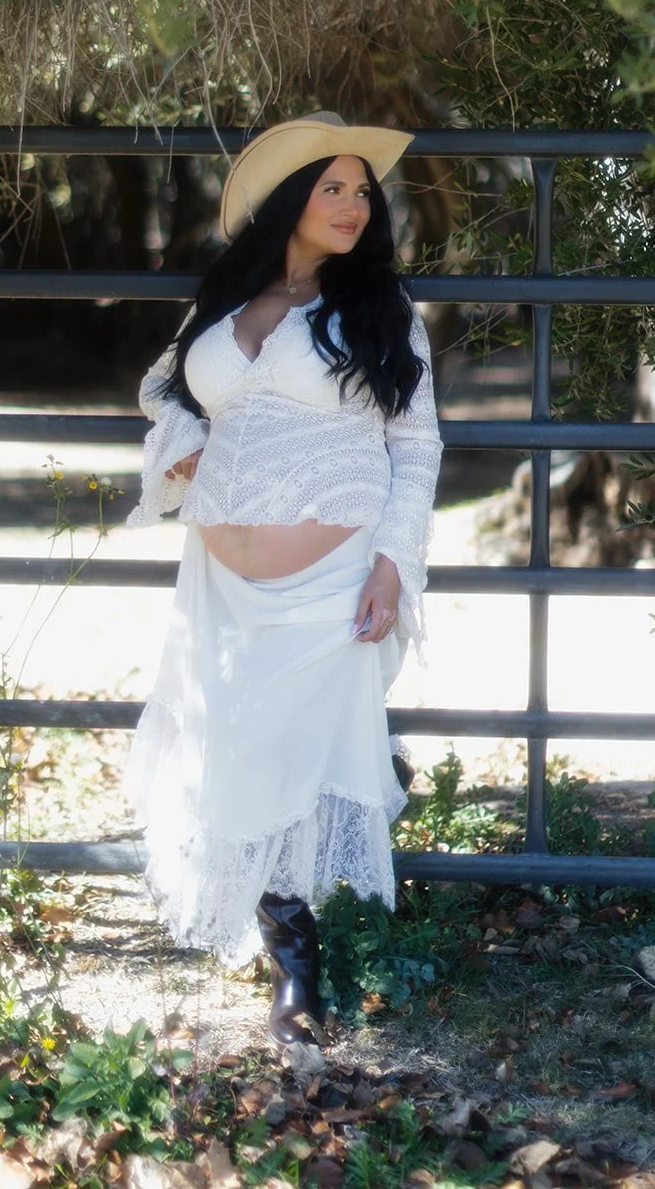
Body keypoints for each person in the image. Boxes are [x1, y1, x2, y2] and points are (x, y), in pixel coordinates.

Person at [123, 111, 443, 1046]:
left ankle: (299, 977)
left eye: (361, 190)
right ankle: (281, 943)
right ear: (288, 202)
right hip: (219, 587)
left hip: (332, 578)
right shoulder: (224, 300)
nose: (351, 204)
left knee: (296, 758)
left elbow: (415, 443)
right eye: (331, 187)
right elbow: (164, 391)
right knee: (237, 754)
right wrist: (181, 453)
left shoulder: (383, 313)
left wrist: (393, 563)